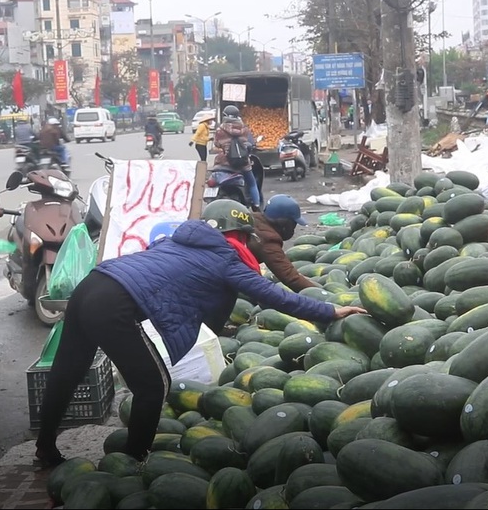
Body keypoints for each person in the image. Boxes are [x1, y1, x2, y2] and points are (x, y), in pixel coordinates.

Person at [33, 199, 366, 468]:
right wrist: (330, 311)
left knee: (67, 373)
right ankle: (133, 462)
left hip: (90, 287)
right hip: (114, 305)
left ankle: (45, 448)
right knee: (153, 387)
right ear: (240, 234)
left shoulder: (176, 240)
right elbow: (274, 296)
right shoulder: (226, 260)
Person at [249, 194, 322, 293]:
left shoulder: (252, 218)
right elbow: (290, 277)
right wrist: (323, 295)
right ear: (284, 222)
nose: (294, 228)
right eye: (293, 223)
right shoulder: (268, 239)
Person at [213, 105, 261, 210]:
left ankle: (211, 200)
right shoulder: (244, 129)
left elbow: (216, 144)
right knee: (252, 183)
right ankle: (256, 206)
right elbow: (250, 142)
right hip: (242, 162)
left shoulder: (220, 130)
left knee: (213, 179)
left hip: (223, 162)